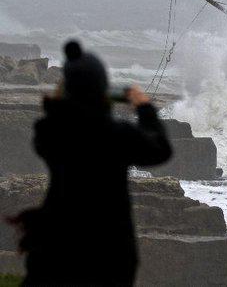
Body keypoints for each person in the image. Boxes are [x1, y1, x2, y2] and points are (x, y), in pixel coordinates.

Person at [11, 41, 172, 286]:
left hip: (57, 246)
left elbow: (51, 123)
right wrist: (145, 108)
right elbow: (160, 149)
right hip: (109, 251)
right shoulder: (117, 135)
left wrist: (59, 98)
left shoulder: (52, 134)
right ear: (102, 90)